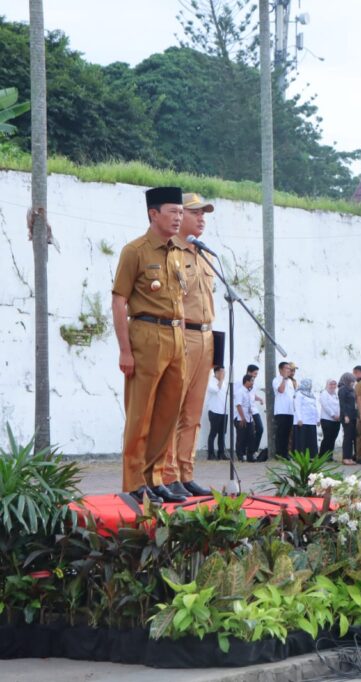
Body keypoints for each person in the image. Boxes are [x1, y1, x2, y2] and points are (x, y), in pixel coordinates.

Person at [112, 186, 189, 505]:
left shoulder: (177, 252)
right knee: (140, 413)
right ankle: (133, 481)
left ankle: (154, 477)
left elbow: (178, 301)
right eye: (173, 212)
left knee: (167, 414)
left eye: (181, 213)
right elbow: (119, 301)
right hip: (145, 334)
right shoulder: (136, 250)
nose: (178, 218)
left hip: (175, 337)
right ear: (153, 213)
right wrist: (125, 350)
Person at [160, 192, 217, 498]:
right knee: (174, 409)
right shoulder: (172, 254)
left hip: (207, 338)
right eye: (196, 213)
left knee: (194, 414)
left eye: (204, 214)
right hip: (183, 336)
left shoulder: (203, 254)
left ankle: (186, 472)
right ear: (180, 217)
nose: (201, 219)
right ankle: (169, 476)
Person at [272, 361, 297, 459]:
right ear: (281, 370)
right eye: (286, 368)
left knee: (287, 434)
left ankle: (285, 453)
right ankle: (279, 453)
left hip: (290, 411)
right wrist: (284, 379)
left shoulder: (291, 381)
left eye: (289, 368)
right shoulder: (276, 380)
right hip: (281, 411)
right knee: (281, 433)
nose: (289, 370)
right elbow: (281, 390)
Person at [206, 365, 228, 461]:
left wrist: (222, 380)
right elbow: (216, 390)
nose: (223, 374)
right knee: (213, 433)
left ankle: (221, 453)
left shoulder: (224, 382)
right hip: (214, 411)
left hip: (224, 411)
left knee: (222, 434)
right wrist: (221, 380)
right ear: (216, 372)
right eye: (221, 372)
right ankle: (211, 454)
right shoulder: (211, 381)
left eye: (224, 372)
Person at [234, 374, 256, 462]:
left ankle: (250, 456)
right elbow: (239, 405)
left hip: (249, 418)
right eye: (251, 381)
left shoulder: (248, 392)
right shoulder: (240, 391)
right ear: (246, 381)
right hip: (241, 418)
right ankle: (240, 456)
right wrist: (242, 418)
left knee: (251, 437)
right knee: (241, 438)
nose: (253, 383)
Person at [338, 372, 358, 464]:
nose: (353, 383)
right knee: (347, 436)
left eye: (353, 381)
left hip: (353, 415)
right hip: (346, 416)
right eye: (351, 381)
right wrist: (345, 415)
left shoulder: (351, 390)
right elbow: (342, 404)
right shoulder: (342, 389)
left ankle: (350, 457)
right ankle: (346, 457)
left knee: (352, 436)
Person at [319, 379, 341, 456]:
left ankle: (329, 456)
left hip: (337, 420)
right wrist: (333, 415)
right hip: (327, 419)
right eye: (331, 384)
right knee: (327, 438)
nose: (333, 386)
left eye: (334, 384)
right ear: (327, 384)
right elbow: (325, 405)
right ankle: (322, 456)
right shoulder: (324, 393)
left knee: (333, 438)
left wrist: (339, 415)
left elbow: (339, 406)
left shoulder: (336, 394)